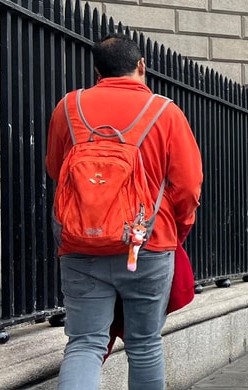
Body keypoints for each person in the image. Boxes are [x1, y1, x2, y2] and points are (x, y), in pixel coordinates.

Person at [45, 33, 203, 390]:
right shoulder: (165, 111)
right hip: (148, 242)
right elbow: (188, 186)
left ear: (97, 71)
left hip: (81, 242)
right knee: (144, 344)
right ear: (141, 65)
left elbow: (56, 169)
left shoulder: (69, 107)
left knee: (85, 343)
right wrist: (176, 231)